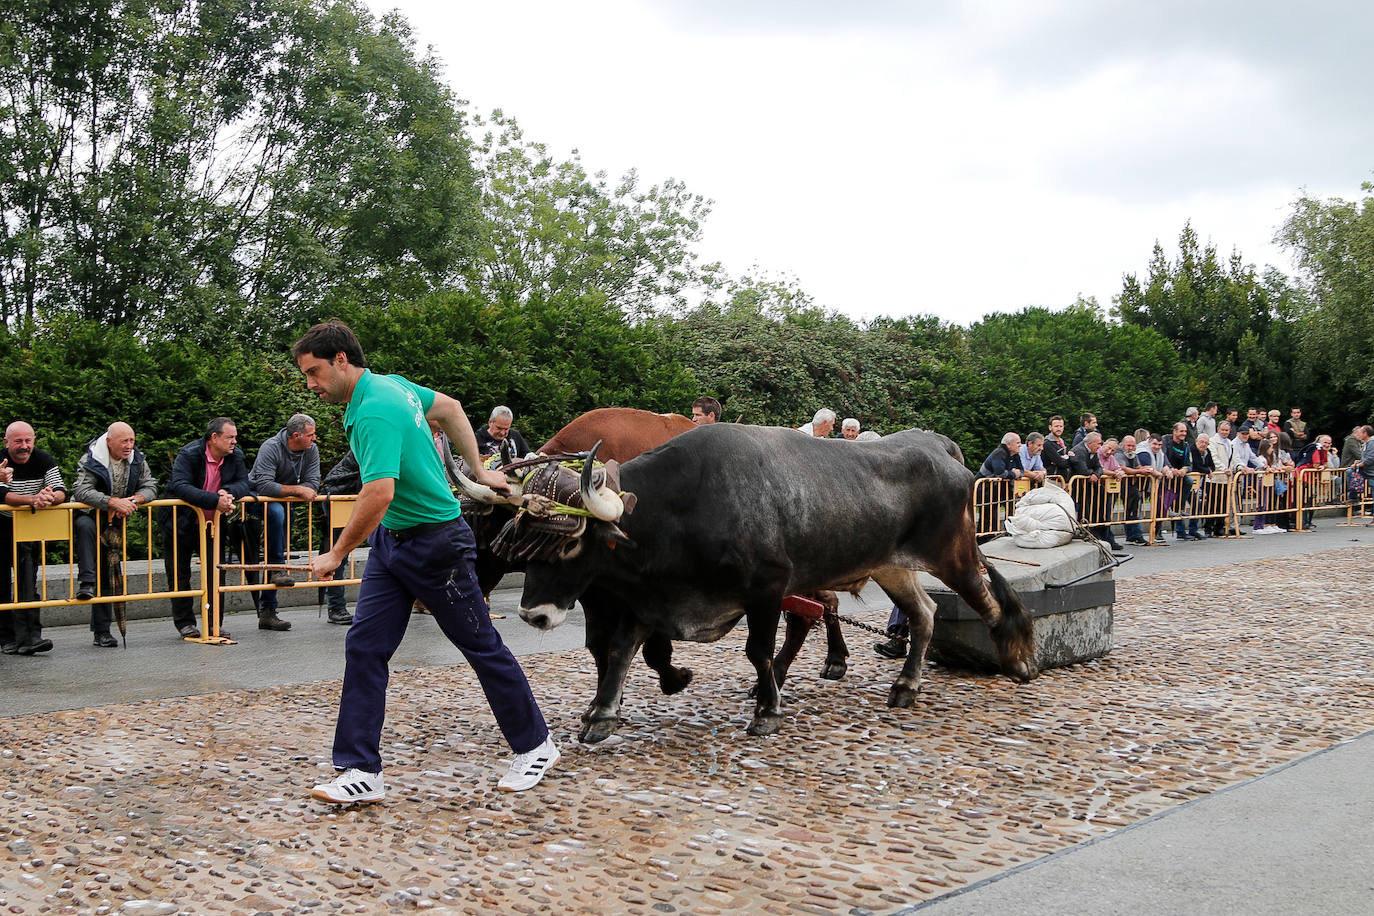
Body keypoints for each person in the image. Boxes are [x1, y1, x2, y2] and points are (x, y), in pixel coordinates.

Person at [293, 320, 556, 802]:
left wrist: (335, 553)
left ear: (341, 361)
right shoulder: (389, 385)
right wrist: (478, 469)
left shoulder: (374, 409)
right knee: (366, 648)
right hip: (394, 542)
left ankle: (536, 745)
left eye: (314, 372)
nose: (311, 384)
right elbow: (453, 409)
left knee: (481, 647)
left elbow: (377, 492)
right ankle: (360, 771)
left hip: (436, 545)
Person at [159, 418, 254, 639]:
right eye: (230, 437)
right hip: (180, 522)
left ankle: (214, 624)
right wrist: (214, 500)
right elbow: (180, 486)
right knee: (179, 573)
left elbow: (244, 483)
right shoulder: (189, 454)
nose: (234, 441)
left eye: (235, 437)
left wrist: (227, 492)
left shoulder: (235, 455)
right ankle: (185, 624)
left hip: (213, 525)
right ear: (214, 438)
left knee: (216, 573)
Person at [72, 422, 158, 647]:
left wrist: (134, 500)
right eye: (124, 441)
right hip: (89, 515)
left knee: (110, 572)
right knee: (87, 533)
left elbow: (151, 486)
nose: (129, 446)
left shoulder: (137, 459)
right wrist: (111, 502)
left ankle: (102, 632)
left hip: (114, 521)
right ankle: (86, 582)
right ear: (109, 442)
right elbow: (81, 490)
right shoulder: (90, 459)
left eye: (132, 440)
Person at [248, 414, 322, 631]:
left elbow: (313, 481)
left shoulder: (311, 450)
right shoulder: (270, 447)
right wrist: (298, 490)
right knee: (277, 514)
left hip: (283, 501)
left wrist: (300, 489)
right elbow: (263, 484)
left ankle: (268, 610)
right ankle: (276, 570)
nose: (314, 439)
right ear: (296, 435)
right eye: (310, 435)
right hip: (258, 498)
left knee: (281, 523)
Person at [0, 421, 67, 655]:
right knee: (1, 586)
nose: (24, 446)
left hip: (28, 528)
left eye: (28, 441)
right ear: (6, 442)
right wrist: (32, 499)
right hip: (2, 525)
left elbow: (61, 489)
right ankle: (7, 638)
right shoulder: (1, 463)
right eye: (18, 441)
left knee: (28, 583)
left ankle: (31, 637)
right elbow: (3, 495)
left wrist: (49, 497)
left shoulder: (44, 459)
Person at [318, 450, 361, 625]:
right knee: (337, 555)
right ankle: (336, 607)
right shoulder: (371, 442)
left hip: (352, 497)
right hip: (339, 498)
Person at [1042, 415, 1071, 480]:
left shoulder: (1064, 443)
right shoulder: (1047, 444)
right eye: (1056, 426)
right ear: (1050, 427)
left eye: (1061, 426)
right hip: (1052, 480)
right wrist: (1068, 458)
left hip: (1065, 480)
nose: (1059, 429)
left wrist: (1065, 459)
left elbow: (1073, 458)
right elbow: (1061, 463)